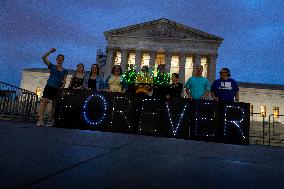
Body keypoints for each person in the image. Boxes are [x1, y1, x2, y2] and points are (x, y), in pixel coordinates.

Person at [37, 48, 68, 126]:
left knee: (54, 105)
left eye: (61, 58)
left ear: (63, 60)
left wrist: (62, 87)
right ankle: (40, 120)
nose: (60, 59)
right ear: (56, 59)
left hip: (57, 89)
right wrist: (50, 51)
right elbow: (43, 57)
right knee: (44, 103)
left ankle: (51, 121)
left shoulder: (65, 70)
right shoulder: (52, 66)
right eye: (59, 58)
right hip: (49, 87)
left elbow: (64, 80)